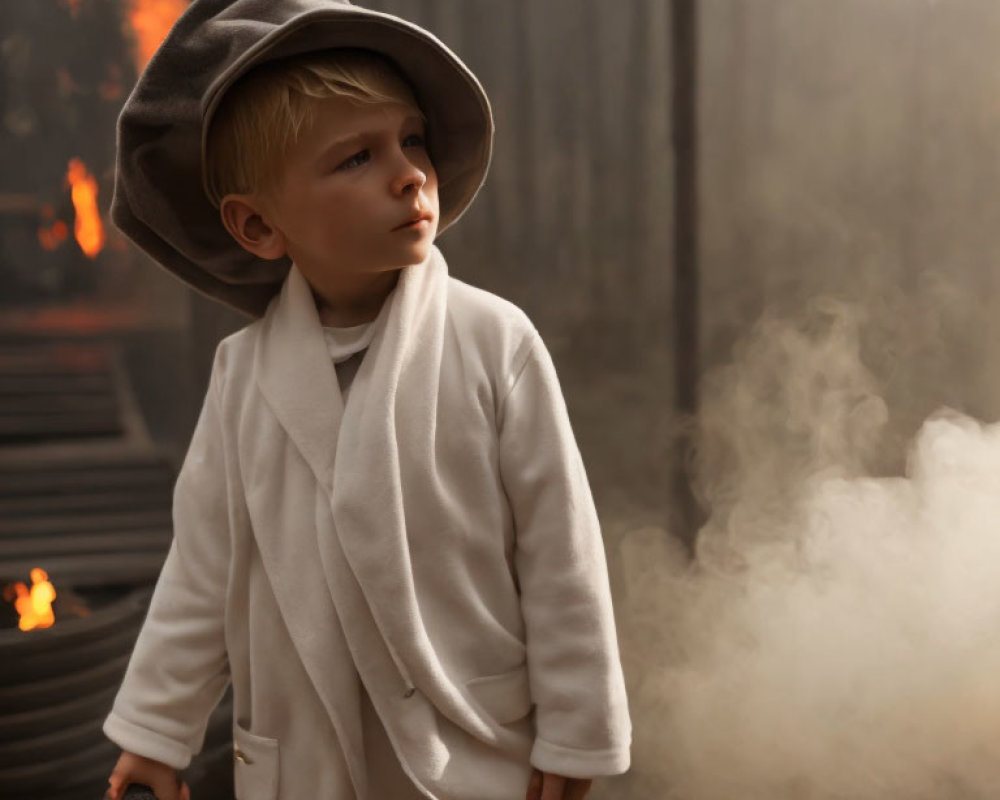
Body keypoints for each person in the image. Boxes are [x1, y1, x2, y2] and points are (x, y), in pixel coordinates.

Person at [102, 2, 631, 799]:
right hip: (300, 762)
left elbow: (560, 557)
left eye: (411, 139)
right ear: (257, 227)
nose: (409, 172)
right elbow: (202, 571)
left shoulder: (495, 344)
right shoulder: (241, 375)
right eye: (355, 157)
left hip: (466, 751)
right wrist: (155, 733)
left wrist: (577, 733)